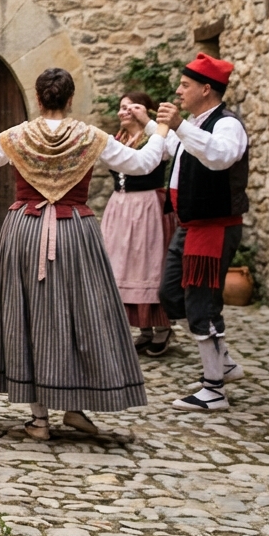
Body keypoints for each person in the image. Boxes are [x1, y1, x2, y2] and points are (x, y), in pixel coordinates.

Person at [0, 67, 165, 441]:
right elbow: (143, 164)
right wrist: (160, 130)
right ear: (70, 99)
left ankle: (39, 420)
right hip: (76, 231)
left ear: (38, 98)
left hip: (25, 230)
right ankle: (74, 407)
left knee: (28, 315)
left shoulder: (16, 135)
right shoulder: (91, 136)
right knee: (82, 314)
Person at [157, 53, 250, 412]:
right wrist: (148, 124)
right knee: (170, 294)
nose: (178, 90)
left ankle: (214, 390)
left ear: (206, 89)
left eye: (185, 85)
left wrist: (180, 126)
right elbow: (171, 148)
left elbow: (220, 157)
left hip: (214, 228)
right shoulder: (196, 124)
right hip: (190, 226)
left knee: (202, 304)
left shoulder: (227, 125)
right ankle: (223, 363)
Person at [100, 92, 175, 356]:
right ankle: (144, 329)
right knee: (123, 264)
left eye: (131, 107)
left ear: (145, 111)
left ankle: (162, 327)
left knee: (148, 263)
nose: (124, 111)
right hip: (120, 207)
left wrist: (150, 123)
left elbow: (171, 150)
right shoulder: (116, 140)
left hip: (147, 206)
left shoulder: (157, 138)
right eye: (122, 107)